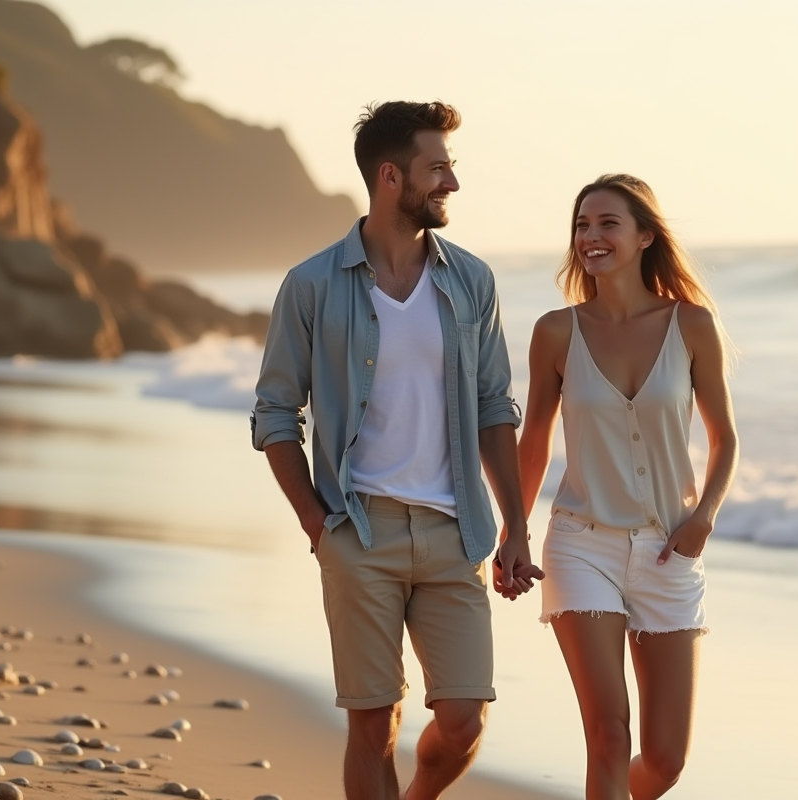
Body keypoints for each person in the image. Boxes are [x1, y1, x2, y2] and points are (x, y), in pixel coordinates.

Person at [251, 100, 541, 800]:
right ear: (390, 177)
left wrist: (516, 526)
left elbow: (495, 408)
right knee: (373, 726)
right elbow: (273, 412)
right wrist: (316, 524)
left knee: (465, 718)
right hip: (359, 530)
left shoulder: (472, 281)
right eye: (436, 169)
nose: (452, 185)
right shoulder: (313, 284)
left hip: (453, 532)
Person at [508, 174, 738, 799]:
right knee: (609, 733)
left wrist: (704, 516)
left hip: (670, 549)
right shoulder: (556, 332)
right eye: (582, 225)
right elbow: (534, 443)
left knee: (664, 762)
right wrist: (513, 533)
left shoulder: (692, 325)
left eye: (607, 223)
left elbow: (725, 440)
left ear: (644, 237)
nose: (590, 236)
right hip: (582, 545)